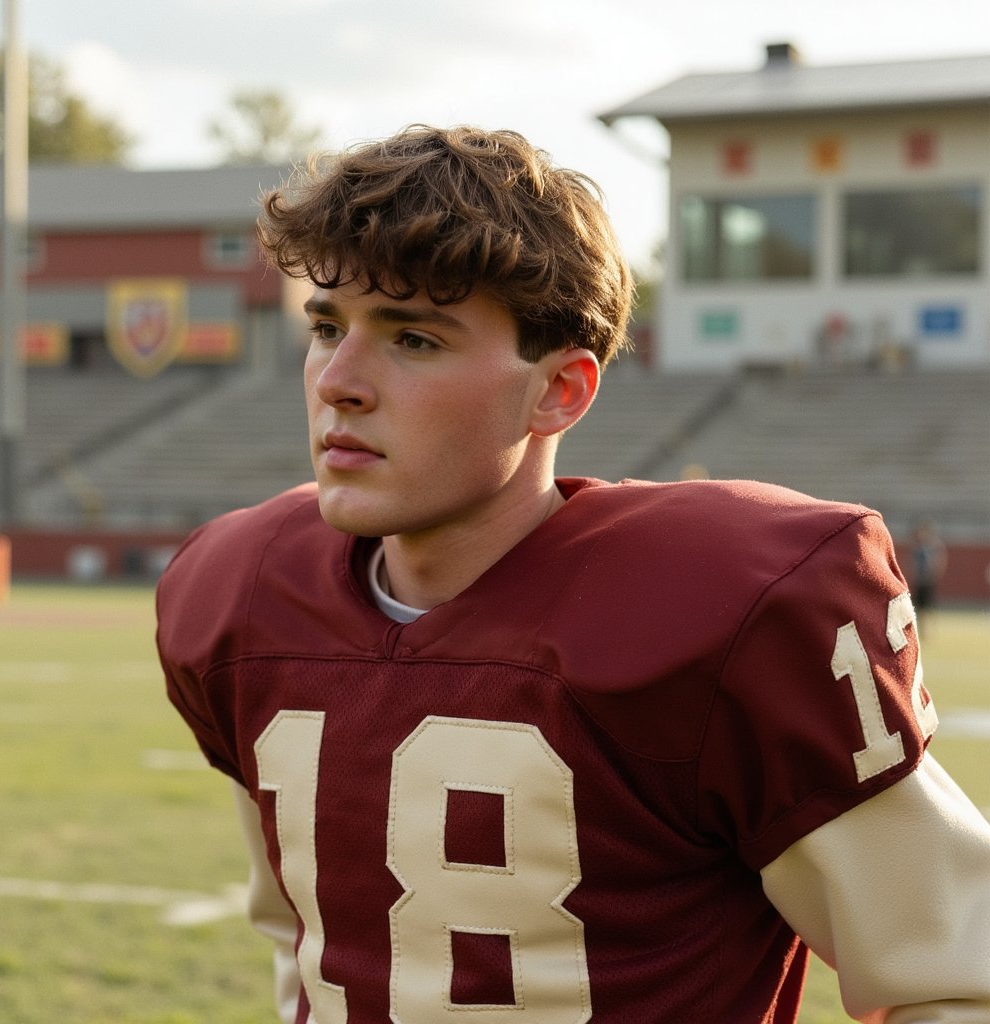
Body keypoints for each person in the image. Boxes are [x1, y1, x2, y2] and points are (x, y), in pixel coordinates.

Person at [155, 125, 990, 1024]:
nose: (337, 381)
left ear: (559, 390)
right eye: (326, 327)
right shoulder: (247, 594)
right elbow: (302, 943)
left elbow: (952, 978)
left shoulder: (722, 614)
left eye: (415, 338)